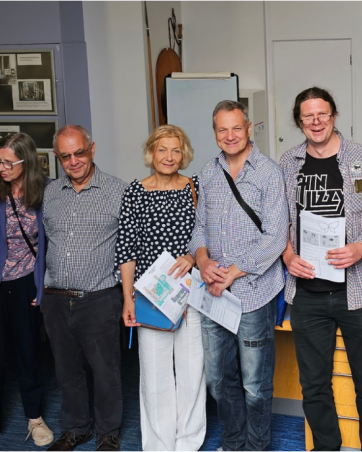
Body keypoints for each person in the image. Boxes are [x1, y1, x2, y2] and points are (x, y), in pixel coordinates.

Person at [277, 87, 362, 452]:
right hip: (307, 294)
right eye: (308, 116)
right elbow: (280, 224)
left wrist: (360, 247)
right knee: (314, 386)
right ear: (299, 121)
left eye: (322, 114)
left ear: (334, 115)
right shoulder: (288, 161)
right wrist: (287, 255)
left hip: (356, 292)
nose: (316, 122)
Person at [190, 100, 288, 452]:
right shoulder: (208, 172)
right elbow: (199, 227)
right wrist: (202, 261)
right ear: (215, 133)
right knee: (219, 380)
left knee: (255, 385)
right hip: (213, 292)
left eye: (236, 128)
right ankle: (233, 443)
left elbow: (276, 236)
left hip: (253, 292)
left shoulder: (268, 172)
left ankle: (257, 446)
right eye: (222, 129)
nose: (230, 135)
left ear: (249, 129)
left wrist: (233, 272)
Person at [117, 124, 206, 452]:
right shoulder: (135, 191)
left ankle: (188, 442)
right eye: (162, 149)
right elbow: (126, 248)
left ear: (184, 155)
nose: (169, 157)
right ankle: (158, 445)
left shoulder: (196, 187)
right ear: (151, 153)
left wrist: (192, 255)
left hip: (190, 291)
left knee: (192, 368)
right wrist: (128, 297)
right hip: (150, 294)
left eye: (176, 150)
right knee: (154, 374)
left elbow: (208, 236)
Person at [41, 125, 127, 452]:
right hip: (56, 299)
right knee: (66, 370)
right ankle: (76, 428)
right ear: (57, 157)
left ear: (92, 148)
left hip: (99, 297)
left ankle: (108, 433)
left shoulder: (117, 191)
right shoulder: (50, 193)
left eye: (79, 152)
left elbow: (131, 246)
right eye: (66, 156)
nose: (74, 161)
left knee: (105, 371)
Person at [0, 133, 54, 451]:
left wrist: (43, 283)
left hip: (26, 281)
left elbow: (52, 241)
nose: (0, 167)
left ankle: (35, 417)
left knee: (29, 353)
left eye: (8, 162)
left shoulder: (45, 189)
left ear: (26, 162)